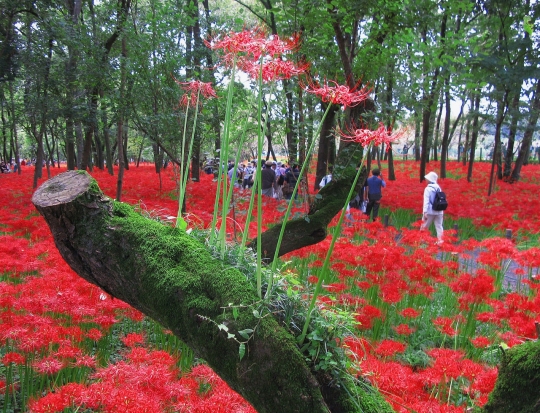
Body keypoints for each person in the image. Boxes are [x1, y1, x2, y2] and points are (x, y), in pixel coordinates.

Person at [421, 171, 444, 245]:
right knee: (439, 227)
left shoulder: (428, 189)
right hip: (439, 211)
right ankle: (441, 242)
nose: (426, 180)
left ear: (429, 180)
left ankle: (422, 241)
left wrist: (425, 212)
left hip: (430, 211)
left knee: (424, 226)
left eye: (427, 179)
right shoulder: (438, 188)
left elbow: (426, 201)